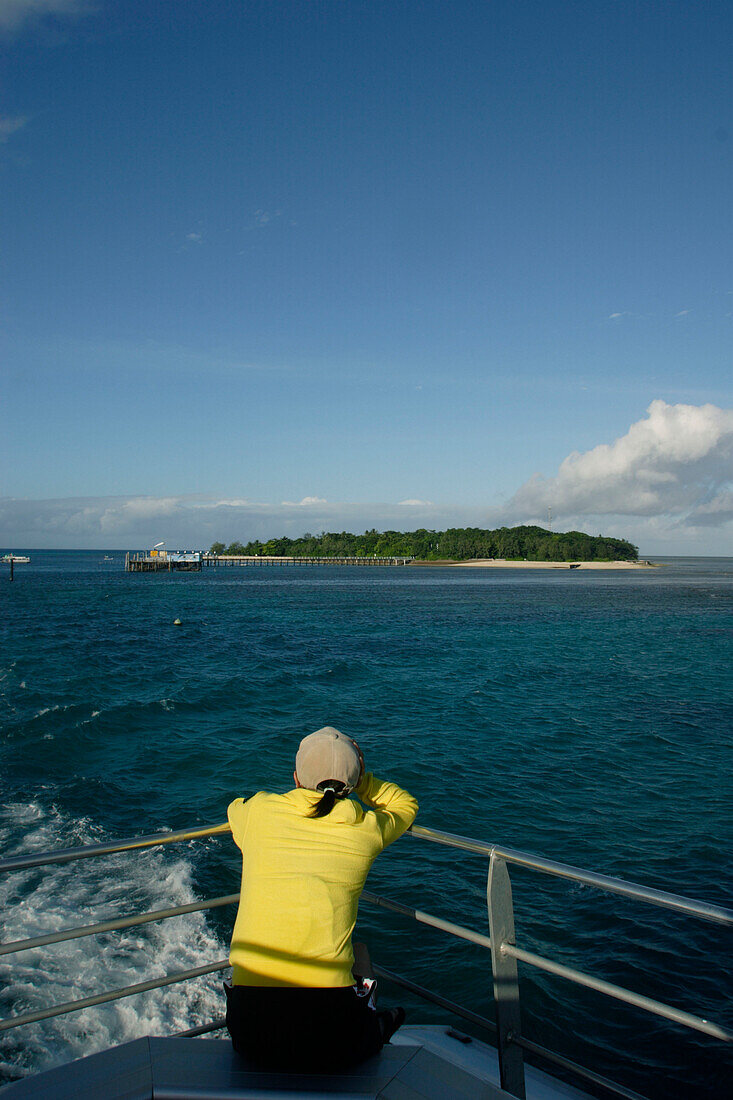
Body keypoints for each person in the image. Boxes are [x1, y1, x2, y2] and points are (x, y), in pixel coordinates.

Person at [225, 725, 418, 1071]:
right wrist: (365, 783)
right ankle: (376, 1023)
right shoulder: (364, 828)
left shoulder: (258, 812)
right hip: (333, 1039)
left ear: (296, 777)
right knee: (359, 954)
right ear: (351, 784)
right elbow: (406, 804)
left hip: (250, 1033)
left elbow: (233, 808)